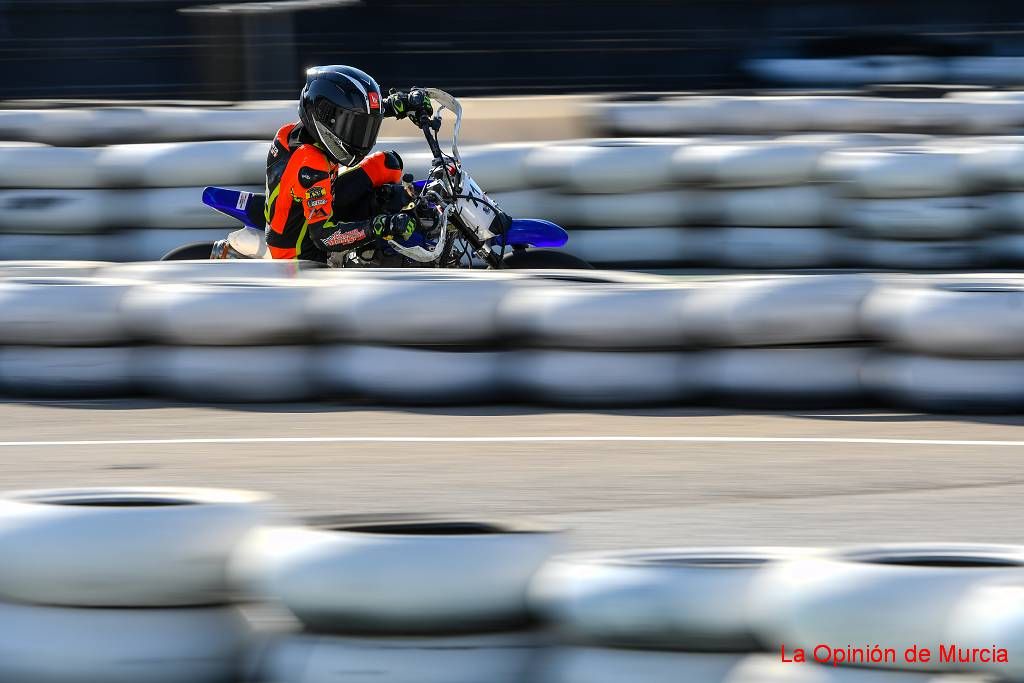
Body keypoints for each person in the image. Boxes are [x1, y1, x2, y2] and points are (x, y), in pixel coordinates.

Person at [263, 65, 435, 261]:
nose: (360, 136)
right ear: (326, 118)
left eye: (361, 127)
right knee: (383, 220)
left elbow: (354, 113)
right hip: (302, 250)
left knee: (387, 164)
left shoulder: (293, 132)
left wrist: (396, 104)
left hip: (315, 204)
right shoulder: (310, 164)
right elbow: (325, 237)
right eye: (353, 127)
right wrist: (379, 225)